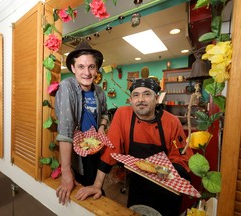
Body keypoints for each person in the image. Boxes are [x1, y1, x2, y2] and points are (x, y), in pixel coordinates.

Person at [75, 78, 193, 216]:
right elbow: (111, 150)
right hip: (138, 185)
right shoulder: (123, 115)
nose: (140, 99)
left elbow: (182, 158)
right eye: (136, 95)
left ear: (156, 98)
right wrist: (97, 185)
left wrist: (162, 174)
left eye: (147, 94)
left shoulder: (172, 122)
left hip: (168, 187)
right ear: (130, 100)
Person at [55, 41, 109, 205]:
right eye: (81, 67)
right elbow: (65, 132)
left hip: (96, 149)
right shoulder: (67, 87)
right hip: (76, 154)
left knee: (96, 190)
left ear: (96, 68)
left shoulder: (99, 91)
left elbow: (105, 113)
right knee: (79, 196)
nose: (87, 72)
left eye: (91, 67)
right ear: (73, 68)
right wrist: (66, 172)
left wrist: (101, 126)